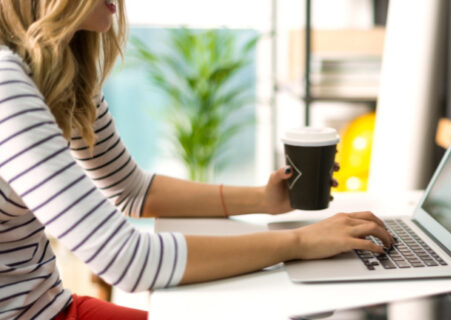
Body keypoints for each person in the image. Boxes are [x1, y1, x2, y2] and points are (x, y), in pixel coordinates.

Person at [0, 0, 394, 319]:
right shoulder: (5, 82)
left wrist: (264, 200)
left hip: (50, 307)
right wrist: (298, 242)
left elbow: (132, 191)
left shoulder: (63, 71)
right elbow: (127, 260)